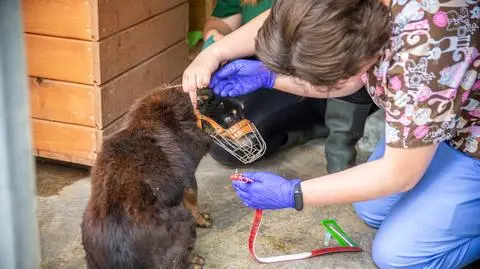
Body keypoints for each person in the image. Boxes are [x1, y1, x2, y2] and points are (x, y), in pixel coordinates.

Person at [183, 0, 480, 268]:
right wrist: (219, 53)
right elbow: (293, 14)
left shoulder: (423, 51)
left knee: (398, 255)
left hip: (473, 138)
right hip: (438, 119)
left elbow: (398, 174)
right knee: (371, 209)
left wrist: (294, 193)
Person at [199, 0, 378, 173]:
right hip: (277, 67)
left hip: (326, 64)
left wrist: (299, 195)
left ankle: (339, 142)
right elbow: (228, 19)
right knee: (228, 143)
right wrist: (214, 43)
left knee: (344, 62)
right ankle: (311, 127)